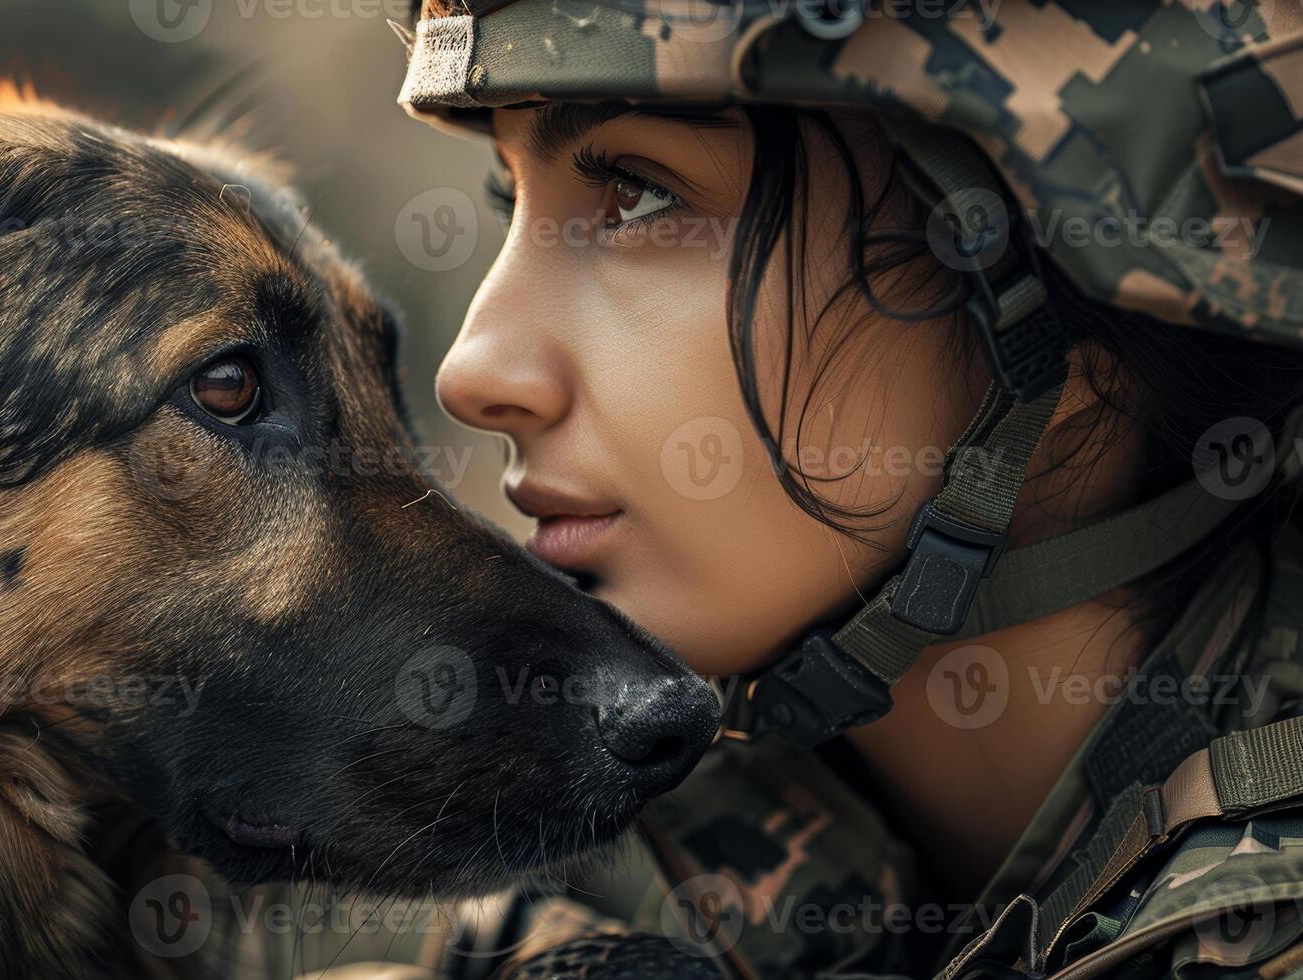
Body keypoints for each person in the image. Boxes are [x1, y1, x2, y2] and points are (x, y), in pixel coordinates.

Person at [383, 1, 1303, 977]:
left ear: (1073, 342)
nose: (472, 371)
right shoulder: (575, 860)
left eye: (640, 196)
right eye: (509, 203)